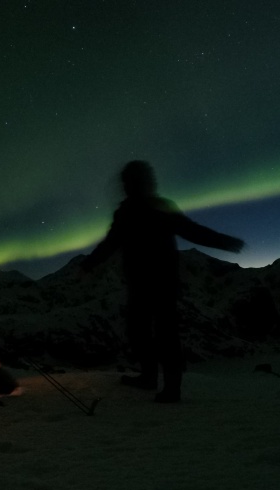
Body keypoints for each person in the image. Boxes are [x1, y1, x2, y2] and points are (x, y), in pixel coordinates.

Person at [82, 160, 244, 403]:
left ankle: (169, 387)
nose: (128, 187)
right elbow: (113, 243)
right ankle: (153, 379)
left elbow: (190, 231)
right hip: (151, 281)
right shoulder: (136, 210)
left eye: (130, 182)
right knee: (143, 330)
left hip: (156, 281)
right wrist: (224, 242)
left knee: (161, 332)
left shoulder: (137, 211)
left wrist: (90, 263)